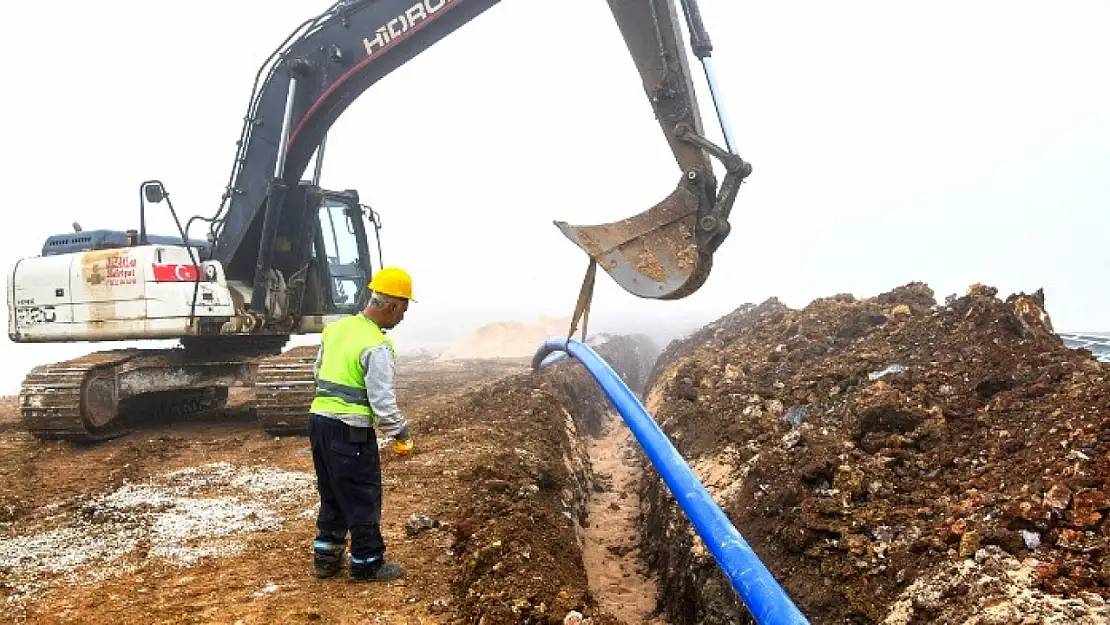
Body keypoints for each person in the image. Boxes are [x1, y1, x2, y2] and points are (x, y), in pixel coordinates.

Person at [307, 266, 416, 582]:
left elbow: (318, 373)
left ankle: (326, 557)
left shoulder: (337, 329)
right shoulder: (376, 345)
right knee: (362, 494)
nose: (403, 318)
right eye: (403, 310)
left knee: (331, 492)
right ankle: (367, 562)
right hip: (350, 431)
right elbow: (381, 401)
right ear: (392, 306)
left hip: (318, 422)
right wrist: (400, 432)